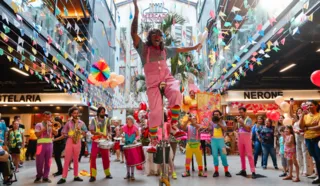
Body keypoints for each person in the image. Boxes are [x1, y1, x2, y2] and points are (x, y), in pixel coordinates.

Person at [131, 0, 202, 140]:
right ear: (150, 38)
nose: (157, 37)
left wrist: (194, 48)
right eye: (154, 35)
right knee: (156, 112)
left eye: (159, 35)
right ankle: (153, 140)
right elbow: (133, 33)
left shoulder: (165, 51)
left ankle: (174, 126)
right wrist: (136, 11)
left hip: (166, 78)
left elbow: (180, 49)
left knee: (176, 93)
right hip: (152, 84)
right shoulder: (144, 50)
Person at [57, 107, 88, 184]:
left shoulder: (82, 123)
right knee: (67, 160)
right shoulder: (68, 123)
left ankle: (76, 176)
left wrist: (82, 133)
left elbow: (85, 132)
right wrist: (68, 135)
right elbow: (63, 132)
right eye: (74, 113)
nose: (76, 114)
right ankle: (63, 177)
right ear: (71, 114)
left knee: (76, 160)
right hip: (70, 141)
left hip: (78, 141)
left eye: (77, 113)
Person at [88, 106, 113, 182]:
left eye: (104, 112)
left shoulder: (107, 120)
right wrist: (98, 133)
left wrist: (109, 135)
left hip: (104, 141)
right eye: (102, 112)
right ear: (98, 112)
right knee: (93, 158)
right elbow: (91, 131)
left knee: (106, 158)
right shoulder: (94, 120)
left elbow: (109, 129)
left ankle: (107, 174)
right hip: (96, 141)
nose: (103, 113)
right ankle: (93, 175)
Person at [299, 100, 320, 184]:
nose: (308, 107)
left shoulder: (318, 115)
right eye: (307, 106)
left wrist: (307, 128)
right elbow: (301, 127)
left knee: (319, 158)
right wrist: (302, 115)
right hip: (308, 139)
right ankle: (319, 176)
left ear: (316, 106)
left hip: (317, 139)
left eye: (310, 105)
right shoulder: (305, 116)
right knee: (315, 158)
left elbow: (319, 127)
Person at [34, 111, 57, 183]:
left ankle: (45, 176)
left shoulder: (51, 124)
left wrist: (52, 127)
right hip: (40, 145)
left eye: (49, 117)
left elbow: (56, 133)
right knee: (39, 161)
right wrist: (44, 129)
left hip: (50, 144)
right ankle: (39, 176)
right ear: (43, 117)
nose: (47, 118)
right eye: (46, 117)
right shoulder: (38, 124)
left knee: (48, 161)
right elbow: (37, 135)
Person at [291, 104, 313, 176]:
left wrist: (302, 131)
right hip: (297, 138)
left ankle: (307, 170)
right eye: (298, 112)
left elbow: (307, 128)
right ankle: (301, 169)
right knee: (299, 153)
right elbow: (293, 128)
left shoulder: (305, 118)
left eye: (300, 111)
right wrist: (295, 130)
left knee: (305, 153)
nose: (299, 113)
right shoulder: (295, 120)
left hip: (304, 137)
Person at [235, 107, 256, 179]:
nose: (240, 113)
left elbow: (248, 128)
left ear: (245, 112)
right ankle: (243, 170)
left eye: (241, 112)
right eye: (239, 112)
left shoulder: (248, 119)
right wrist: (237, 123)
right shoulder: (239, 120)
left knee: (249, 154)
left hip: (246, 137)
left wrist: (241, 122)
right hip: (240, 137)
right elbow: (236, 129)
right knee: (241, 155)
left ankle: (253, 171)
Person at [209, 110, 231, 178]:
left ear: (219, 115)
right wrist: (209, 126)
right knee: (215, 156)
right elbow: (210, 130)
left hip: (221, 141)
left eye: (217, 114)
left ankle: (226, 171)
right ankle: (216, 171)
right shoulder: (211, 122)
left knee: (223, 155)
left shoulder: (223, 121)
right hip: (214, 141)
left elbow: (225, 129)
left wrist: (219, 122)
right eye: (215, 114)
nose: (216, 115)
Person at [121, 116, 140, 181]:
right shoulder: (124, 127)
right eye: (126, 119)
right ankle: (128, 174)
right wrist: (122, 138)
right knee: (127, 160)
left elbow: (138, 135)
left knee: (132, 160)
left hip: (132, 145)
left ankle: (132, 174)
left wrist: (136, 140)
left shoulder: (135, 127)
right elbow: (121, 134)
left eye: (128, 119)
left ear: (131, 120)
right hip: (126, 145)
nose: (127, 120)